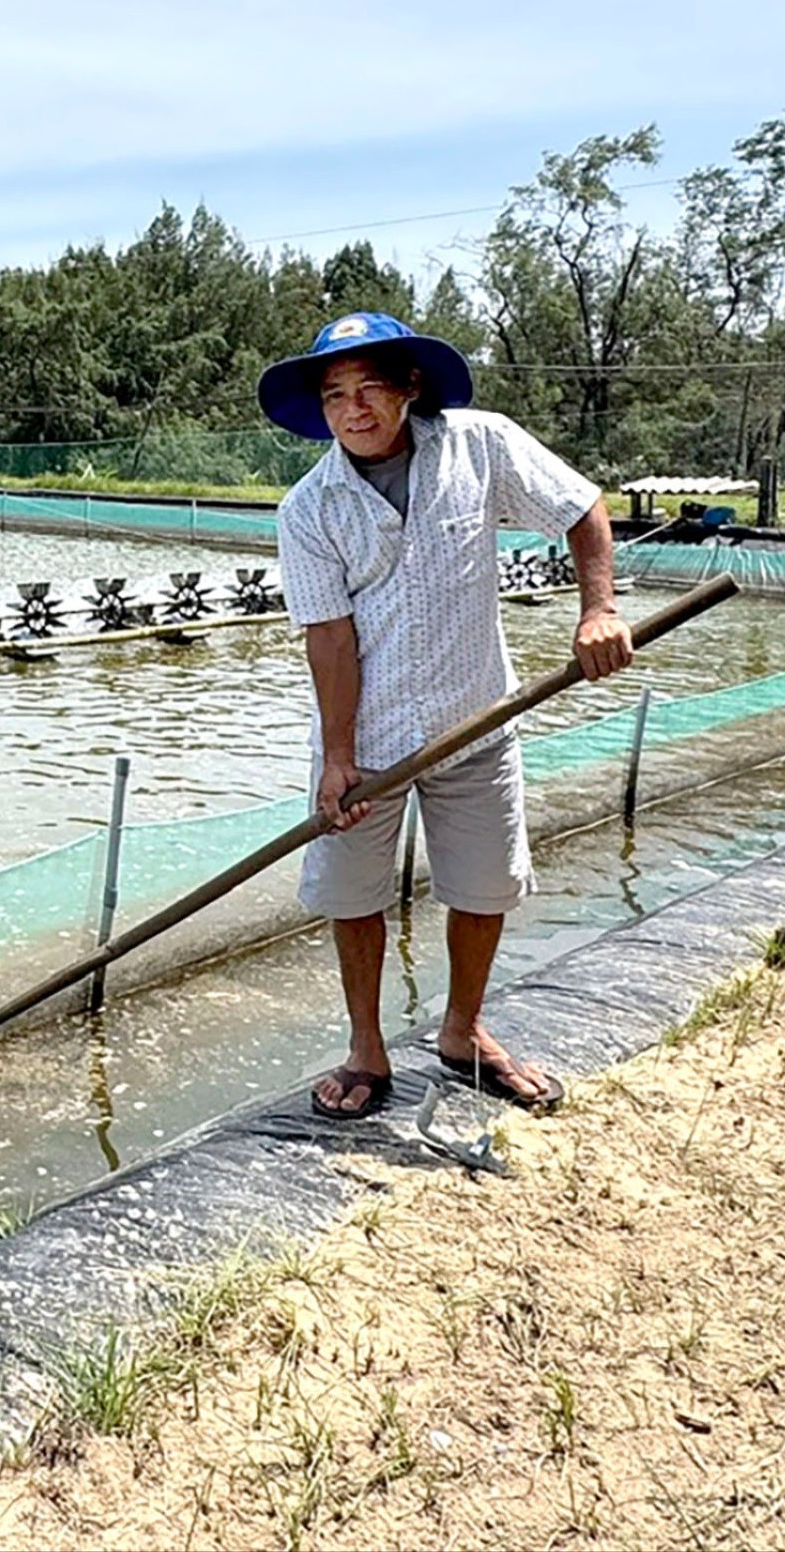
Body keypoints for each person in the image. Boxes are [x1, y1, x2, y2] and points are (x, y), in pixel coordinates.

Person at [259, 312, 633, 1121]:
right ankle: (367, 1050)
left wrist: (598, 610)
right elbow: (329, 636)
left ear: (409, 389)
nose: (353, 410)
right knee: (351, 892)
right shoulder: (309, 507)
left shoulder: (480, 444)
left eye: (369, 390)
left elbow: (581, 507)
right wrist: (338, 756)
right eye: (335, 397)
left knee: (484, 883)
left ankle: (463, 1032)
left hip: (478, 715)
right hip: (373, 742)